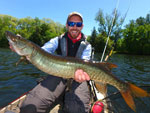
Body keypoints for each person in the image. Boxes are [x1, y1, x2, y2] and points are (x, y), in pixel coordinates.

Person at [9, 11, 92, 113]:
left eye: (78, 24)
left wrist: (81, 74)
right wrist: (22, 50)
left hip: (78, 80)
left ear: (82, 26)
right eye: (71, 24)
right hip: (58, 75)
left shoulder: (87, 45)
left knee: (77, 110)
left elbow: (86, 63)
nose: (74, 27)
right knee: (29, 108)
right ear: (67, 25)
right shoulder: (57, 40)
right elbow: (42, 51)